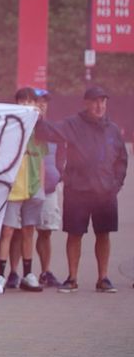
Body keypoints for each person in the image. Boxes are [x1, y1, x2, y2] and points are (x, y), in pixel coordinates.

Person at [37, 86, 127, 293]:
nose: (99, 106)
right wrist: (37, 119)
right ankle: (72, 278)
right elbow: (49, 131)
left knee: (104, 234)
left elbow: (122, 159)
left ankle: (103, 278)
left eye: (103, 102)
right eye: (95, 102)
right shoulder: (73, 124)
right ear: (86, 103)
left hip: (105, 193)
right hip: (77, 190)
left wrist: (115, 185)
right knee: (75, 234)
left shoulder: (112, 129)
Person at [0, 88, 48, 292]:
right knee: (7, 230)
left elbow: (42, 159)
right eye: (22, 101)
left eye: (30, 101)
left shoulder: (40, 130)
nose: (26, 105)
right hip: (13, 186)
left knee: (29, 230)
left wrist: (41, 188)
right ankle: (0, 274)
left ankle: (28, 273)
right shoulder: (10, 128)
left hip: (33, 185)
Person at [33, 89, 64, 288]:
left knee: (46, 231)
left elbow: (62, 153)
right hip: (25, 188)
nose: (42, 104)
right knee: (21, 232)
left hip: (50, 188)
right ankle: (14, 273)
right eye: (37, 100)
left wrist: (59, 174)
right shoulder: (22, 127)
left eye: (45, 101)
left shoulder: (54, 129)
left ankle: (45, 272)